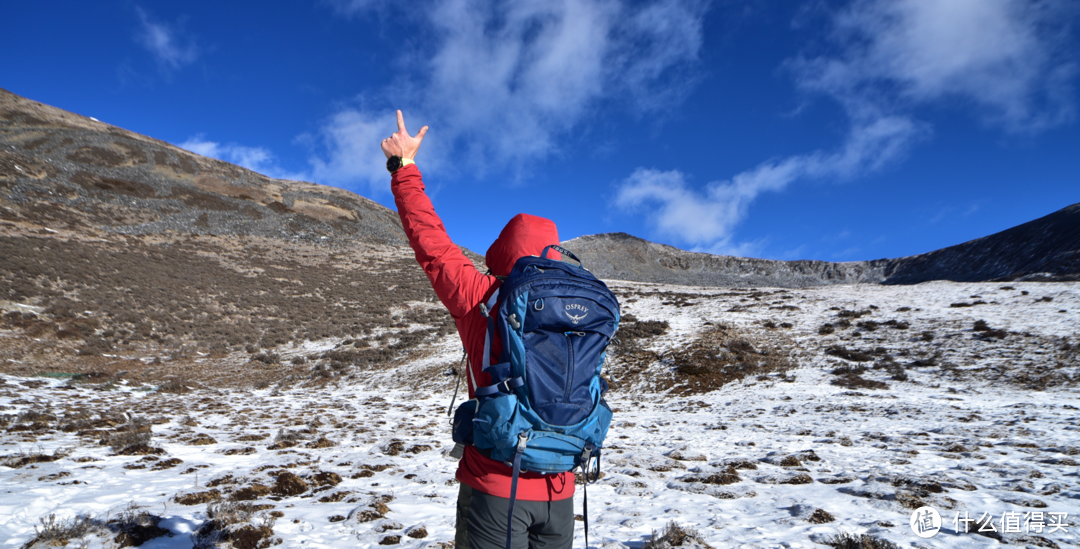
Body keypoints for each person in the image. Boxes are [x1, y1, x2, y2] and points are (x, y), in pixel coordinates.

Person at [381, 111, 575, 549]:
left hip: (495, 485)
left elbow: (432, 246)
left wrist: (404, 168)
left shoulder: (481, 297)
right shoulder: (575, 309)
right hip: (562, 486)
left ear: (502, 252)